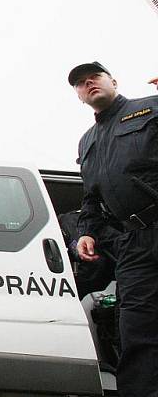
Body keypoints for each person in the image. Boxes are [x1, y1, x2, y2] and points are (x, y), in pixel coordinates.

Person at [70, 61, 158, 397]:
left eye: (94, 76)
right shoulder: (87, 142)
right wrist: (87, 233)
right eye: (80, 82)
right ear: (79, 96)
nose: (88, 82)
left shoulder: (149, 108)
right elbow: (91, 199)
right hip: (133, 243)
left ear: (114, 81)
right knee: (135, 330)